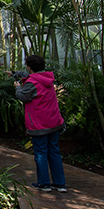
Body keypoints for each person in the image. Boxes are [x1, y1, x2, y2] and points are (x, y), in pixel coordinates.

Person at [13, 55, 67, 193]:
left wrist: (17, 87)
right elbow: (29, 75)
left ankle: (44, 183)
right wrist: (15, 73)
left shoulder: (32, 83)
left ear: (30, 67)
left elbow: (23, 96)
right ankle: (60, 184)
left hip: (39, 124)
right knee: (54, 152)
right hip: (54, 121)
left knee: (41, 153)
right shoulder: (47, 78)